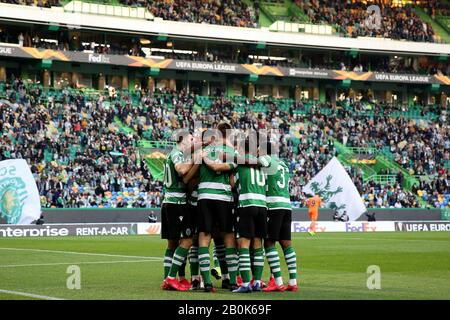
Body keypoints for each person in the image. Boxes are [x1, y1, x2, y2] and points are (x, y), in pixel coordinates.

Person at [197, 123, 239, 292]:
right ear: (229, 135)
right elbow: (232, 182)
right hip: (223, 198)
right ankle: (232, 282)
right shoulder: (233, 153)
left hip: (204, 196)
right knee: (228, 237)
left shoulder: (203, 151)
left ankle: (206, 282)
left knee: (204, 237)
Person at [258, 140, 298, 292]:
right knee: (286, 243)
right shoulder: (283, 164)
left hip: (273, 205)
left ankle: (278, 282)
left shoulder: (267, 159)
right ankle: (293, 281)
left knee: (268, 243)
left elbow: (257, 161)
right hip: (287, 206)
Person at [232, 137, 267, 293]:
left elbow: (232, 185)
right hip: (262, 205)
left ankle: (246, 283)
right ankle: (257, 282)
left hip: (247, 203)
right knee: (258, 243)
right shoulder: (264, 162)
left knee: (243, 244)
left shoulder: (239, 161)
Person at [161, 131, 195, 291]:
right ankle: (171, 278)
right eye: (191, 138)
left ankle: (170, 278)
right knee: (187, 240)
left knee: (172, 243)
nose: (192, 141)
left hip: (168, 201)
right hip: (177, 203)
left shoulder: (173, 154)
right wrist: (195, 160)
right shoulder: (177, 153)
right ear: (182, 140)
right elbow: (181, 170)